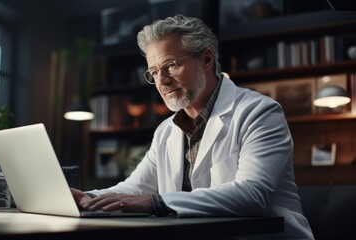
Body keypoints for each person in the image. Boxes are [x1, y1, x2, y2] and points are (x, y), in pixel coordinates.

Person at [71, 14, 314, 239]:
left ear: (207, 59)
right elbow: (135, 188)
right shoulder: (166, 130)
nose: (162, 81)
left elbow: (253, 195)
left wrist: (155, 203)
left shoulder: (260, 112)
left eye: (171, 66)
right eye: (154, 72)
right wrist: (90, 197)